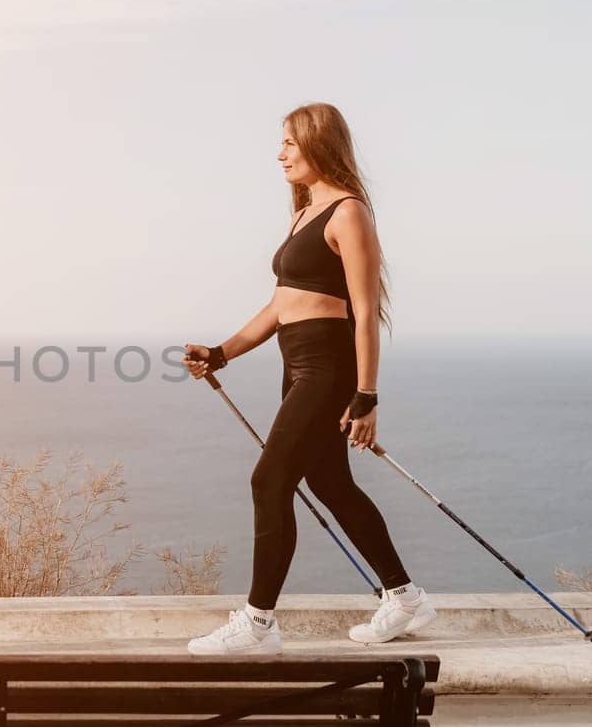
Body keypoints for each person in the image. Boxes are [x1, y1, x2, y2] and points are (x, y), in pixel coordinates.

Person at [182, 102, 435, 655]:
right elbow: (281, 306)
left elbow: (364, 312)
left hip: (327, 370)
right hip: (296, 366)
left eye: (290, 144)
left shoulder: (349, 212)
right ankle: (406, 597)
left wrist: (366, 397)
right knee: (330, 485)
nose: (281, 155)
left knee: (268, 481)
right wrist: (222, 353)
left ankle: (258, 624)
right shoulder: (303, 213)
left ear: (319, 143)